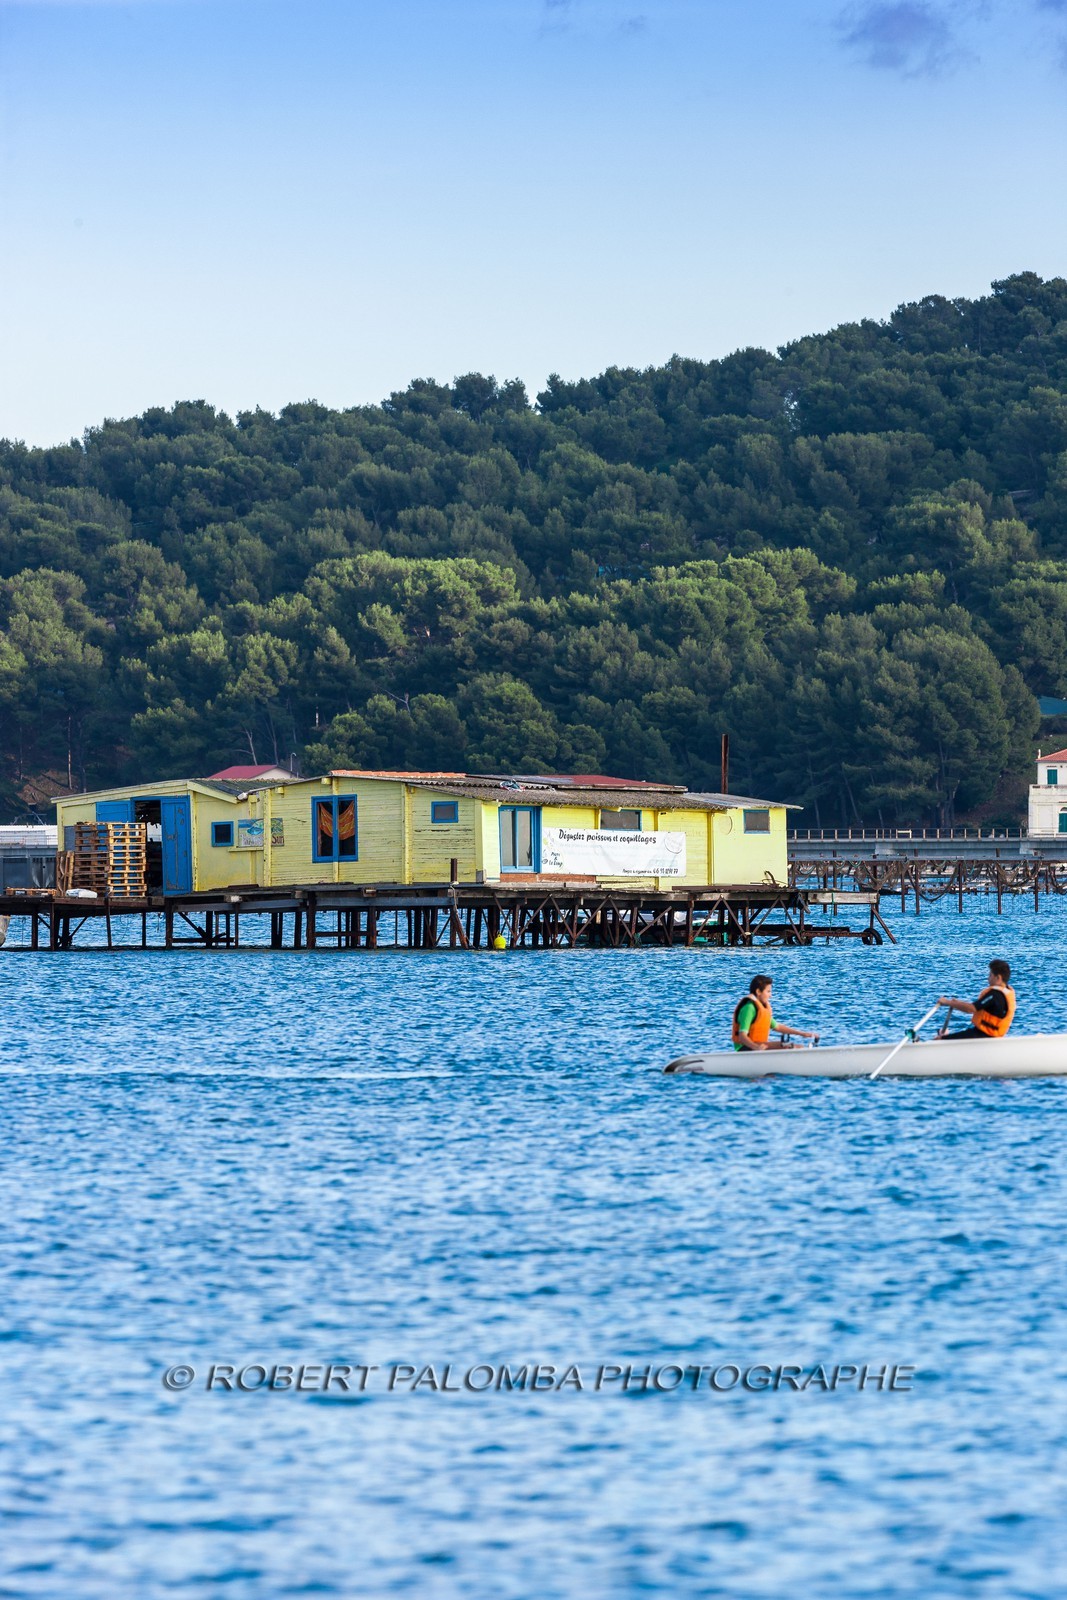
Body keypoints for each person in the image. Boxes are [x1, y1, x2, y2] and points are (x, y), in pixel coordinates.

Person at [732, 974, 820, 1052]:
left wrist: (802, 1033)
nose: (771, 995)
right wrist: (756, 1047)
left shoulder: (761, 1008)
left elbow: (777, 1026)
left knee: (797, 1046)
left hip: (757, 1047)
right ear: (758, 992)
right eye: (768, 991)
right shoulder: (749, 1008)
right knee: (788, 1046)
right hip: (745, 1048)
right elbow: (742, 1036)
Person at [936, 960, 1016, 1039]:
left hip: (984, 1035)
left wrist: (948, 1002)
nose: (988, 979)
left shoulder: (995, 995)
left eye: (990, 975)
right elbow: (977, 1006)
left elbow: (971, 1009)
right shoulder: (1007, 992)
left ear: (998, 977)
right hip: (991, 1035)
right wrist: (956, 1003)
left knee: (939, 1040)